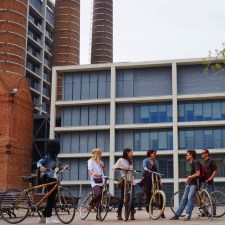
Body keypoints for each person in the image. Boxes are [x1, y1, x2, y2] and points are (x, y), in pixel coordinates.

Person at [170, 149, 201, 221]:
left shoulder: (196, 162)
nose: (186, 156)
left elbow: (198, 174)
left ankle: (187, 215)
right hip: (190, 183)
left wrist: (189, 177)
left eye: (187, 155)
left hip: (195, 184)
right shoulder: (191, 163)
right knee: (184, 199)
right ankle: (176, 215)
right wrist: (186, 180)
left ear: (191, 156)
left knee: (190, 198)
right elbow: (192, 175)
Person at [37, 139, 60, 224]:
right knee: (51, 198)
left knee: (53, 198)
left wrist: (63, 167)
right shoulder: (47, 157)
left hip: (54, 179)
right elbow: (39, 162)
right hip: (47, 177)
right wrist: (40, 167)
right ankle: (48, 218)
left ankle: (44, 217)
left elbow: (57, 168)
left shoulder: (56, 159)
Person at [112, 148, 135, 220]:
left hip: (131, 181)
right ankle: (119, 213)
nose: (132, 154)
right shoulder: (121, 160)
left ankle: (132, 214)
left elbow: (131, 173)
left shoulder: (130, 162)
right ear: (127, 153)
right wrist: (120, 168)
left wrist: (132, 179)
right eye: (131, 152)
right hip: (124, 180)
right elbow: (113, 167)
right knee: (122, 198)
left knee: (132, 198)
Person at [142, 149, 165, 218]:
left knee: (160, 195)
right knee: (148, 192)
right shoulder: (145, 160)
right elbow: (144, 166)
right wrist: (146, 169)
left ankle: (162, 212)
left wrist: (160, 180)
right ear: (150, 154)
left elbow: (157, 171)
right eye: (153, 153)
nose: (155, 155)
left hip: (156, 177)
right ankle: (148, 206)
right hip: (148, 177)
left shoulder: (155, 162)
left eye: (155, 153)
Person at [87, 148, 105, 214]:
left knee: (100, 198)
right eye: (99, 153)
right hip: (94, 180)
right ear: (96, 154)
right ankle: (90, 204)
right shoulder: (90, 161)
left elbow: (103, 172)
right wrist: (94, 173)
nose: (101, 155)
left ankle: (98, 215)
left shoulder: (100, 162)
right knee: (98, 194)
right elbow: (89, 170)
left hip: (101, 180)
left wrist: (103, 167)